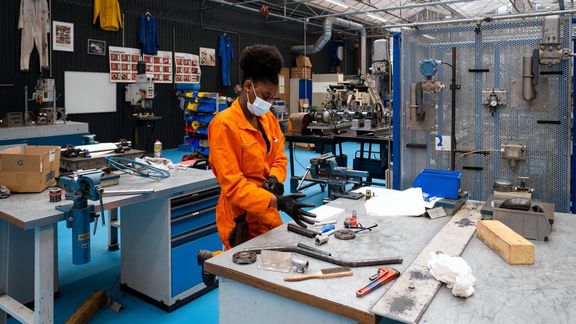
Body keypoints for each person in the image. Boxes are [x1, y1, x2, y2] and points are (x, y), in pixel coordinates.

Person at [208, 44, 316, 249]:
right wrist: (276, 201)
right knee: (242, 270)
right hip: (241, 219)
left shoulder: (268, 120)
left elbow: (279, 157)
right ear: (247, 86)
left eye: (272, 98)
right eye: (266, 97)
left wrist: (275, 178)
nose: (268, 103)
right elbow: (233, 185)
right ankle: (211, 263)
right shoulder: (224, 125)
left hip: (267, 213)